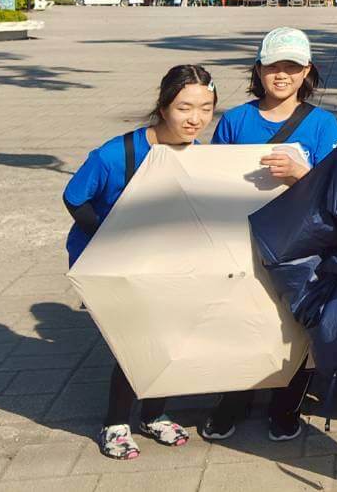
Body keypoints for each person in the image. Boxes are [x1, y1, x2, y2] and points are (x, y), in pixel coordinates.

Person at [63, 64, 216, 461]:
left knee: (169, 340)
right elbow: (74, 198)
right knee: (137, 344)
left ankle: (153, 414)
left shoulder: (198, 154)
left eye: (206, 108)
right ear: (163, 107)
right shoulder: (116, 154)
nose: (195, 119)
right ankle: (115, 423)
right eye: (184, 108)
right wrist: (111, 235)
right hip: (109, 260)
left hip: (165, 261)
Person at [200, 26, 337, 443]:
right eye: (272, 66)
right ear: (258, 69)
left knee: (294, 325)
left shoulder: (322, 123)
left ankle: (286, 405)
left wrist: (301, 173)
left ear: (307, 72)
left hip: (301, 244)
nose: (281, 75)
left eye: (291, 67)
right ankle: (233, 399)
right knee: (240, 319)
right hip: (241, 239)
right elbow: (211, 179)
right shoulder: (235, 120)